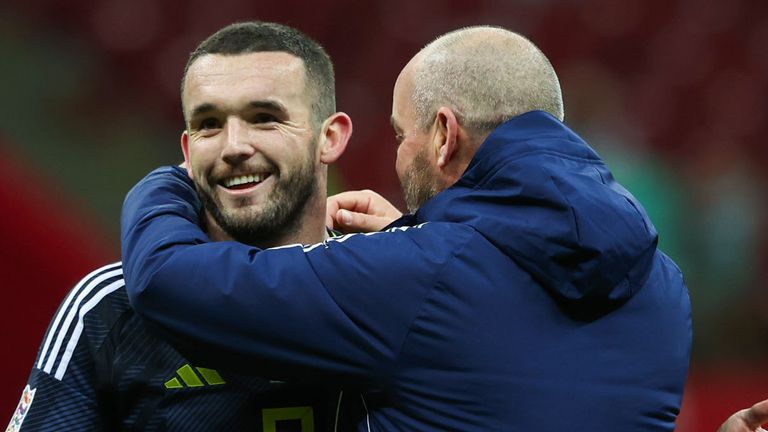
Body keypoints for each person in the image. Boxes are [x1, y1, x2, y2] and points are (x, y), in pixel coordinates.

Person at [120, 26, 692, 431]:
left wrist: (177, 174)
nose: (397, 157)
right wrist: (414, 239)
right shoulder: (663, 289)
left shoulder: (420, 276)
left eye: (400, 135)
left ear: (444, 135)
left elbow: (169, 281)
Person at [6, 21, 358, 431]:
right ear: (187, 152)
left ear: (329, 137)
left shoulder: (386, 290)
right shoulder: (110, 308)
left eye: (264, 117)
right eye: (209, 123)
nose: (233, 147)